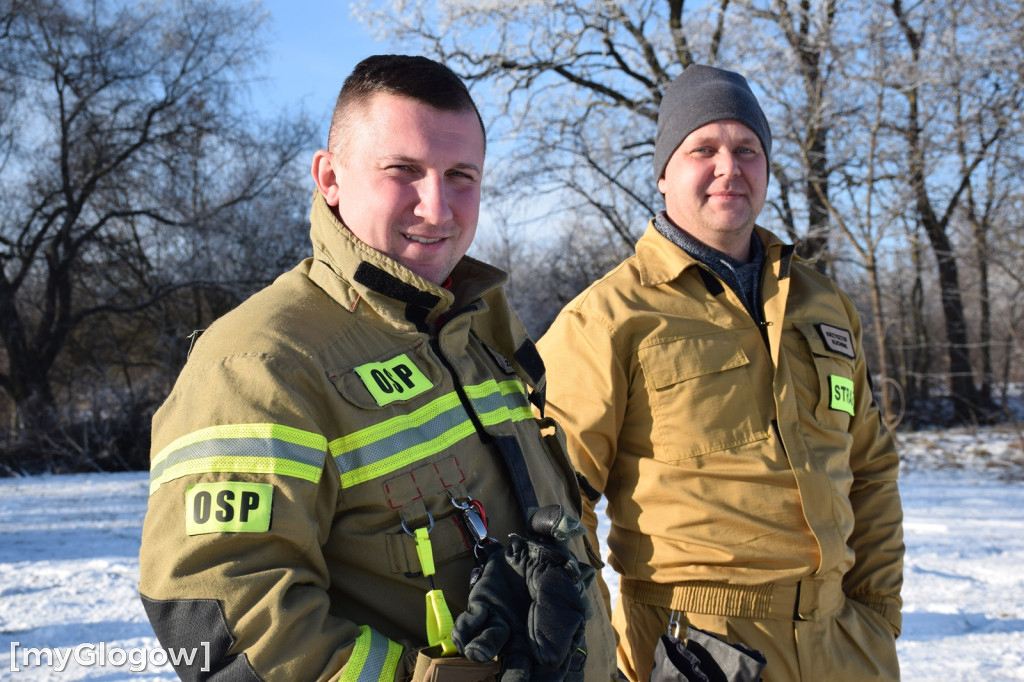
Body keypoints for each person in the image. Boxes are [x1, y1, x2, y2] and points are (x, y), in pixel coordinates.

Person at [139, 54, 617, 682]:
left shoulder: (474, 333)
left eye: (461, 175)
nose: (438, 207)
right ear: (329, 178)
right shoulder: (260, 363)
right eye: (404, 171)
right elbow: (226, 624)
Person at [536, 64, 904, 682]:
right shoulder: (607, 318)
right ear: (662, 173)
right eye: (702, 148)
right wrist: (595, 651)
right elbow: (554, 501)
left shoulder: (822, 303)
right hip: (696, 651)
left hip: (845, 645)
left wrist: (876, 612)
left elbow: (869, 466)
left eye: (747, 150)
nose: (729, 167)